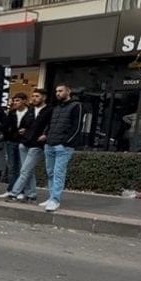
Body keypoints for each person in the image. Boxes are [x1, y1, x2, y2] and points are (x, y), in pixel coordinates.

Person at [1, 88, 51, 202]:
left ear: (44, 98)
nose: (34, 98)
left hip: (37, 144)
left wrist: (45, 134)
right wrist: (24, 131)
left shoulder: (49, 110)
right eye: (33, 96)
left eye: (37, 96)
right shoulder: (31, 110)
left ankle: (14, 193)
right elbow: (25, 124)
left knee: (24, 170)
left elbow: (51, 125)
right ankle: (31, 194)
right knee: (28, 170)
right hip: (24, 143)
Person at [41, 84, 82, 213]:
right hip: (50, 143)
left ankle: (55, 200)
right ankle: (51, 197)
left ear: (68, 91)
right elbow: (50, 124)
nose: (58, 93)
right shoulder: (56, 107)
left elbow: (77, 126)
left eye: (60, 91)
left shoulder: (76, 106)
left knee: (58, 172)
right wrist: (46, 136)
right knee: (50, 172)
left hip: (63, 146)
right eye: (56, 91)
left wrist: (66, 142)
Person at [2, 92, 25, 189]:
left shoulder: (30, 112)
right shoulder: (12, 113)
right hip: (11, 141)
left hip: (23, 142)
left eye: (18, 101)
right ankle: (11, 188)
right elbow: (5, 126)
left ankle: (20, 190)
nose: (15, 103)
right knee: (11, 166)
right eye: (14, 101)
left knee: (21, 166)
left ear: (24, 101)